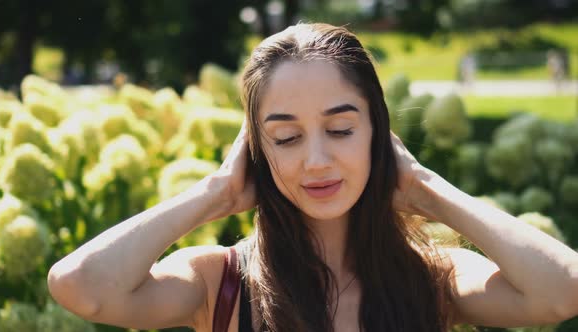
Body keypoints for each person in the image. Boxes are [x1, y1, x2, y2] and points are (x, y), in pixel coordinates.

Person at [47, 23, 578, 332]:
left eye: (341, 129)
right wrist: (215, 193)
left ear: (378, 130)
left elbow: (563, 292)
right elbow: (81, 287)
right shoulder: (222, 283)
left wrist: (424, 189)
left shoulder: (434, 277)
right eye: (286, 138)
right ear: (256, 150)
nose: (317, 161)